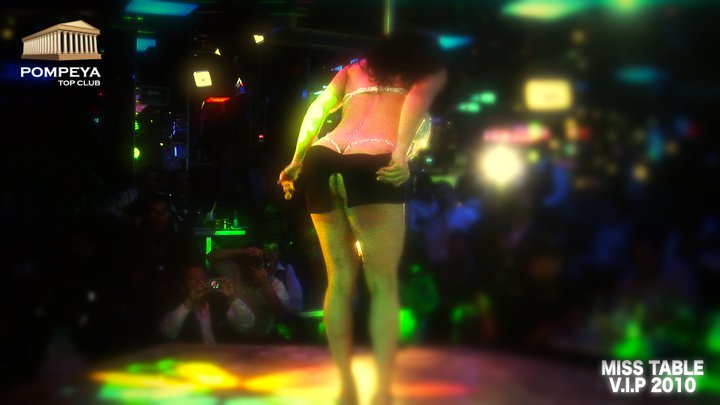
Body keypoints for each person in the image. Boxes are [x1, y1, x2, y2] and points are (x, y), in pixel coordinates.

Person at [277, 32, 446, 405]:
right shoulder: (424, 70)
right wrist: (400, 156)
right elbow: (415, 104)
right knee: (383, 284)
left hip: (323, 157)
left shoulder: (354, 69)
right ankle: (382, 390)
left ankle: (346, 388)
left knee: (339, 280)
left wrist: (297, 159)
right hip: (374, 161)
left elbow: (319, 109)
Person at [159, 265, 255, 344]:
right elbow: (167, 333)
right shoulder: (177, 307)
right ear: (183, 286)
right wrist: (190, 301)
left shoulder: (220, 304)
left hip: (223, 358)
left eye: (203, 278)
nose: (200, 282)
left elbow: (247, 324)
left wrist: (232, 298)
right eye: (193, 279)